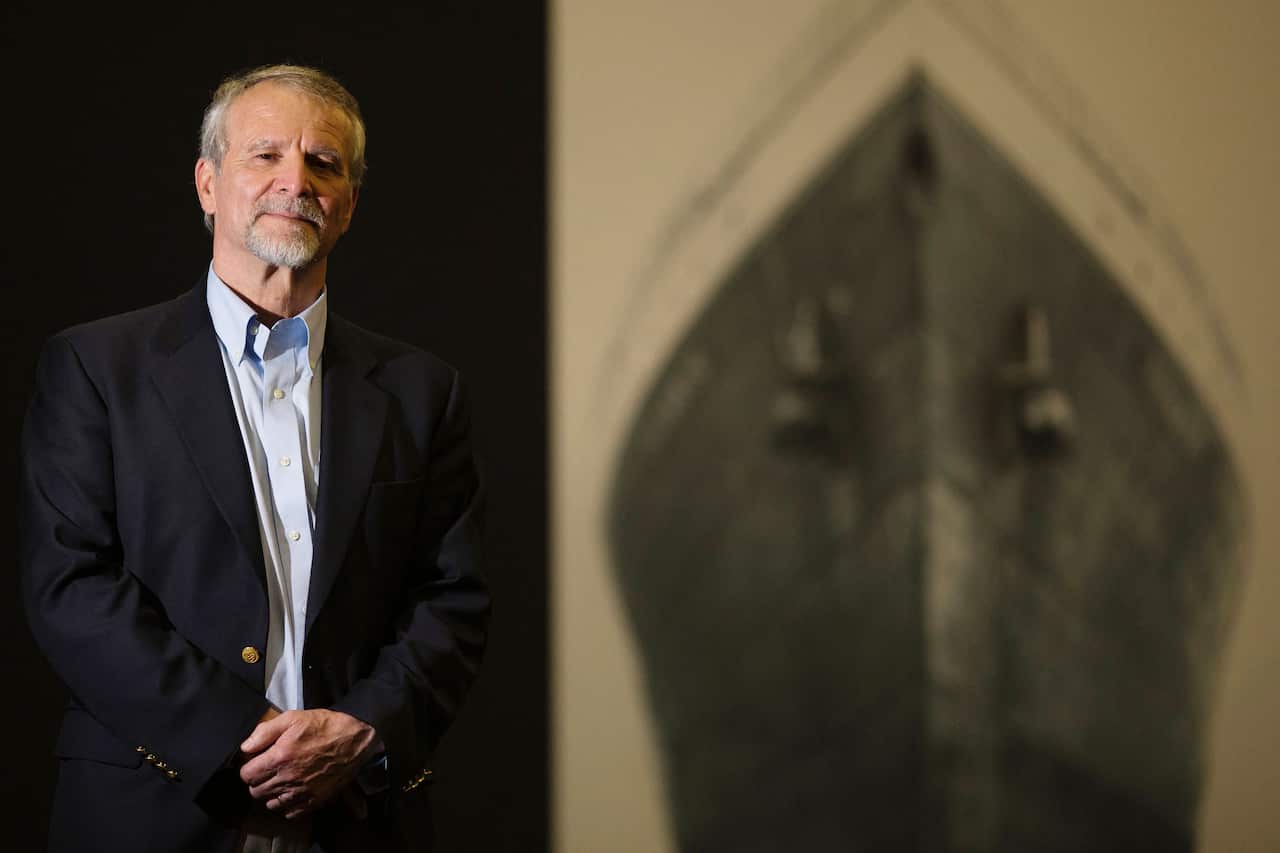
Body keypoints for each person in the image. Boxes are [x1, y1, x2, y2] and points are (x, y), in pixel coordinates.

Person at [19, 64, 490, 852]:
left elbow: (455, 598)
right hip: (152, 808)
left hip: (357, 818)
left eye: (323, 163)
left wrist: (359, 733)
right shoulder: (97, 368)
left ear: (349, 205)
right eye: (265, 155)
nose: (294, 181)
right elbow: (72, 587)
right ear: (208, 184)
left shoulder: (421, 391)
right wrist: (246, 737)